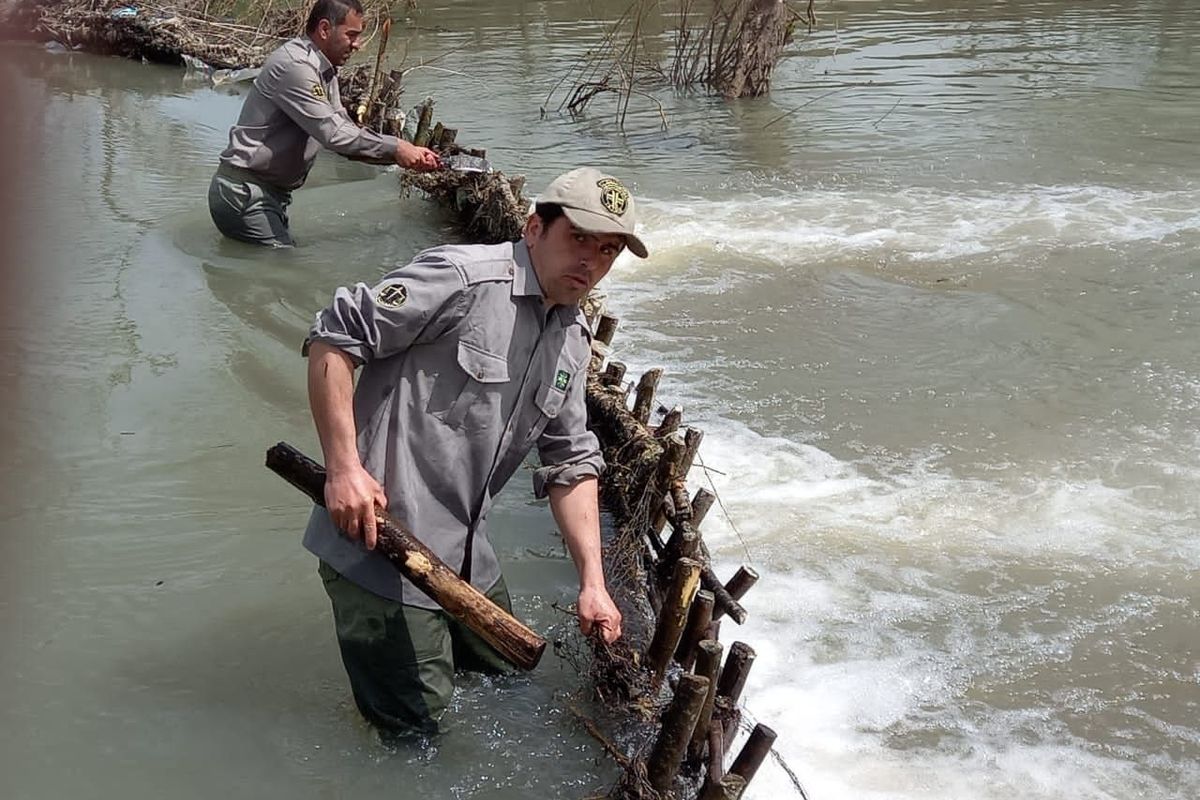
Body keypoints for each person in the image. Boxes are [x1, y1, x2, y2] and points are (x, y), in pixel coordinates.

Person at [302, 167, 649, 734]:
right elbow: (333, 339)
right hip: (383, 547)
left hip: (468, 554)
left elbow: (570, 461)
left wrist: (593, 583)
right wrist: (342, 468)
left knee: (509, 681)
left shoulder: (571, 337)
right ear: (534, 228)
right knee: (417, 735)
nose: (591, 261)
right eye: (579, 239)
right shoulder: (460, 281)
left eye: (607, 250)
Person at [208, 0, 440, 247]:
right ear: (325, 29)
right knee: (283, 274)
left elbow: (345, 132)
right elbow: (334, 135)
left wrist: (401, 155)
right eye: (351, 35)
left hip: (262, 194)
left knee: (275, 275)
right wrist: (397, 147)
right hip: (246, 194)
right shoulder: (297, 66)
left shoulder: (322, 70)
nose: (358, 45)